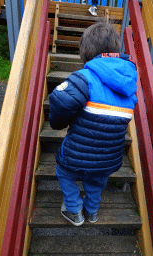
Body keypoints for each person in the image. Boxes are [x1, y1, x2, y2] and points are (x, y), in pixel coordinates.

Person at [49, 22, 137, 226]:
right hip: (109, 158)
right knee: (96, 181)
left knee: (63, 172)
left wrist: (57, 124)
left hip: (77, 155)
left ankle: (74, 210)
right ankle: (92, 211)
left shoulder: (83, 78)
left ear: (85, 51)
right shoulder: (128, 85)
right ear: (115, 49)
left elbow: (60, 102)